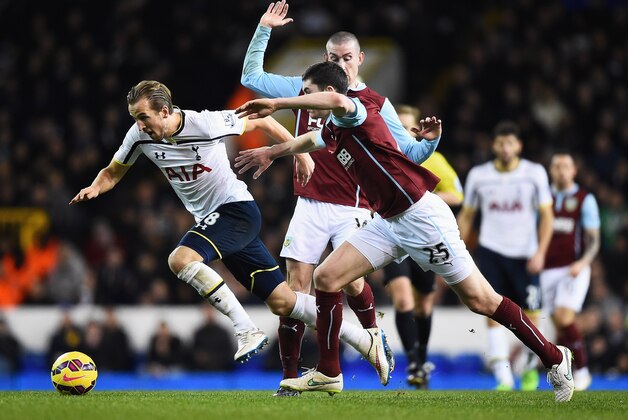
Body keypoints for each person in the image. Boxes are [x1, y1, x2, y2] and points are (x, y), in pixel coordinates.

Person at [234, 61, 575, 402]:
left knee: (481, 301)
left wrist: (277, 104)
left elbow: (338, 103)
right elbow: (311, 140)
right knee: (326, 278)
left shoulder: (357, 108)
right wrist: (272, 151)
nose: (304, 100)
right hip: (388, 221)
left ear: (327, 92)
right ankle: (329, 372)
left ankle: (555, 358)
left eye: (308, 93)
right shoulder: (335, 127)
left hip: (422, 219)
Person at [70, 80, 391, 378]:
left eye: (143, 117)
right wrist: (96, 187)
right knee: (284, 301)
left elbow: (262, 121)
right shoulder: (138, 135)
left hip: (236, 211)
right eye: (135, 118)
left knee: (180, 259)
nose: (139, 125)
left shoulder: (205, 123)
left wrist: (301, 154)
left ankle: (244, 329)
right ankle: (364, 341)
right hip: (217, 221)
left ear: (164, 112)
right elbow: (113, 171)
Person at [241, 0, 436, 395]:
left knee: (348, 283)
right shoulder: (306, 88)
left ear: (360, 59)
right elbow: (251, 76)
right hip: (310, 203)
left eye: (347, 58)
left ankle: (372, 336)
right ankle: (290, 375)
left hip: (354, 207)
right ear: (324, 58)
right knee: (297, 290)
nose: (341, 64)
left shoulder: (378, 105)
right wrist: (264, 28)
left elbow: (411, 154)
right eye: (333, 57)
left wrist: (430, 143)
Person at [456, 120, 555, 391]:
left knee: (533, 315)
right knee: (491, 312)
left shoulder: (534, 173)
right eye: (501, 142)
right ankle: (503, 377)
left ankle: (530, 370)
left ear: (519, 145)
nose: (506, 147)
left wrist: (541, 252)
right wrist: (455, 247)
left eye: (511, 142)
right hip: (491, 252)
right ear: (494, 145)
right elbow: (467, 215)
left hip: (526, 255)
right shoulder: (479, 175)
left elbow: (547, 216)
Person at [382, 104, 464, 389]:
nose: (401, 132)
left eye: (406, 127)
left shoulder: (433, 158)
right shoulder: (384, 156)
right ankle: (414, 362)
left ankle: (422, 357)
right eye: (397, 126)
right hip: (393, 237)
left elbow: (457, 194)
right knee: (403, 299)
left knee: (424, 303)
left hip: (424, 236)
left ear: (417, 130)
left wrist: (423, 199)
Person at [541, 152, 600, 391]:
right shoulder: (544, 198)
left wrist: (583, 262)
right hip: (546, 269)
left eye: (566, 166)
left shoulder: (585, 199)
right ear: (551, 170)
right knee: (558, 323)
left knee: (565, 317)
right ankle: (568, 370)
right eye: (556, 166)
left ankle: (583, 370)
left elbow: (593, 239)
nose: (561, 170)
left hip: (572, 268)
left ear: (574, 171)